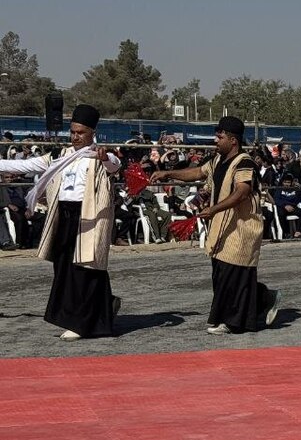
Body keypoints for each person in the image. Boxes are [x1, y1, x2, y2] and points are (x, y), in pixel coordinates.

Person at [151, 116, 282, 335]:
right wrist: (168, 173)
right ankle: (265, 297)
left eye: (219, 137)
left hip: (242, 227)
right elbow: (197, 173)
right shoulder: (216, 161)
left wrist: (214, 209)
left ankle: (234, 322)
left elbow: (242, 191)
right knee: (223, 273)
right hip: (222, 226)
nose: (215, 140)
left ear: (233, 140)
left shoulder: (244, 162)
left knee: (234, 273)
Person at [0, 104, 121, 340]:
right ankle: (104, 303)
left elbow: (114, 166)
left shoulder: (100, 155)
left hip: (89, 218)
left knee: (86, 268)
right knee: (63, 267)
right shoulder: (58, 156)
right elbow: (22, 166)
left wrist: (105, 158)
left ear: (92, 133)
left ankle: (80, 324)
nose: (76, 137)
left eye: (81, 132)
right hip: (63, 217)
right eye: (73, 132)